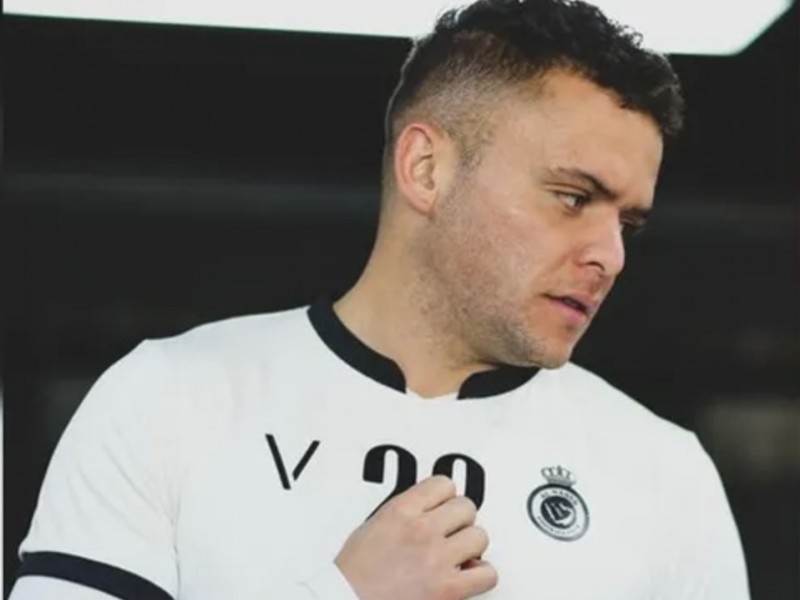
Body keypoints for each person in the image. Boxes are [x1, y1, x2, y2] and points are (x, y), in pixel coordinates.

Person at [11, 0, 750, 598]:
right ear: (426, 168)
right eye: (572, 196)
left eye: (627, 223)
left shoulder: (666, 474)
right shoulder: (169, 398)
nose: (610, 256)